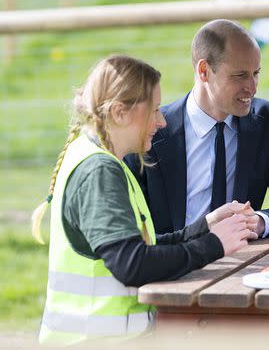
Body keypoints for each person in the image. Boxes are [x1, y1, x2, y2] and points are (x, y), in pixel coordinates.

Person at [31, 55, 257, 345]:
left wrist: (205, 226)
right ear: (119, 112)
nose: (162, 122)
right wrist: (213, 245)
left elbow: (139, 249)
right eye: (154, 110)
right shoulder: (99, 171)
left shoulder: (103, 159)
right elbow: (132, 265)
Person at [125, 19, 269, 237]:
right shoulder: (151, 130)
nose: (252, 88)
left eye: (256, 73)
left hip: (244, 260)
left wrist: (260, 222)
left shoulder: (268, 120)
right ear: (204, 71)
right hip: (172, 263)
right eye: (240, 75)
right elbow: (131, 237)